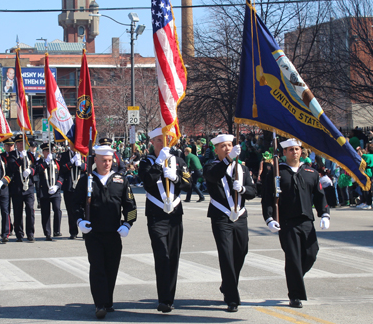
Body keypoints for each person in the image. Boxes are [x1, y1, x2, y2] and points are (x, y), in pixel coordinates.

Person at [262, 138, 330, 308]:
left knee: (311, 254)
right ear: (284, 152)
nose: (295, 152)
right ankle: (295, 295)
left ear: (301, 151)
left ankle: (295, 278)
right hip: (287, 222)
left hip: (306, 221)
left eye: (297, 149)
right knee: (293, 259)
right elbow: (268, 198)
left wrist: (325, 214)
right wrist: (269, 218)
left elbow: (319, 196)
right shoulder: (277, 173)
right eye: (291, 149)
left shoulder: (310, 172)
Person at [74, 144, 137, 319]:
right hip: (93, 233)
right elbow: (74, 205)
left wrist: (127, 224)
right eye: (104, 161)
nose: (107, 164)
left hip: (114, 232)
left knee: (111, 268)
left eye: (110, 160)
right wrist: (80, 221)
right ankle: (99, 304)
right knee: (97, 268)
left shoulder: (120, 180)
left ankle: (107, 301)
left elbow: (130, 206)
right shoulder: (86, 180)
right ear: (96, 160)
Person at [139, 128, 191, 313]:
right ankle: (163, 298)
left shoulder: (179, 161)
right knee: (162, 255)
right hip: (156, 215)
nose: (164, 143)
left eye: (167, 140)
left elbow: (188, 183)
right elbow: (146, 181)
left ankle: (169, 298)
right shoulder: (146, 162)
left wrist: (175, 177)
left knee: (173, 256)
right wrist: (159, 163)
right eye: (159, 140)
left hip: (175, 214)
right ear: (152, 142)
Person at [203, 134, 256, 312]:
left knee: (241, 252)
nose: (227, 148)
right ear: (216, 149)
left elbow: (253, 191)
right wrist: (228, 160)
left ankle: (227, 285)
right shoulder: (211, 166)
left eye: (230, 145)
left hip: (240, 216)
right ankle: (232, 298)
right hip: (221, 216)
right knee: (226, 255)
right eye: (223, 146)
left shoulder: (242, 169)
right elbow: (213, 177)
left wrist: (242, 189)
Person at [8, 134, 37, 242]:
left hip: (28, 187)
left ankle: (30, 233)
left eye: (23, 143)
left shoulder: (30, 155)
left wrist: (31, 171)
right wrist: (20, 159)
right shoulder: (12, 155)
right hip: (17, 188)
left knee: (30, 210)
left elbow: (36, 168)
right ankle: (19, 234)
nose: (21, 145)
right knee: (18, 212)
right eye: (19, 143)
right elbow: (12, 167)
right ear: (16, 144)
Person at [36, 142, 64, 240]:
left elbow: (61, 175)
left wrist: (57, 186)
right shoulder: (39, 162)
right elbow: (37, 170)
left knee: (57, 209)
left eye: (50, 151)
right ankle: (47, 233)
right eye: (46, 151)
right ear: (43, 152)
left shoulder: (56, 162)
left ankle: (57, 230)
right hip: (44, 191)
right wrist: (46, 163)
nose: (48, 153)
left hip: (55, 191)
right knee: (45, 212)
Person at [59, 144, 86, 239]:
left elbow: (91, 167)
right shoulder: (65, 155)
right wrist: (71, 162)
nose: (73, 146)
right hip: (69, 186)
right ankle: (73, 232)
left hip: (81, 186)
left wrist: (82, 165)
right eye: (71, 143)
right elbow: (62, 169)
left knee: (83, 209)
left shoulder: (84, 154)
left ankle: (84, 231)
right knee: (71, 210)